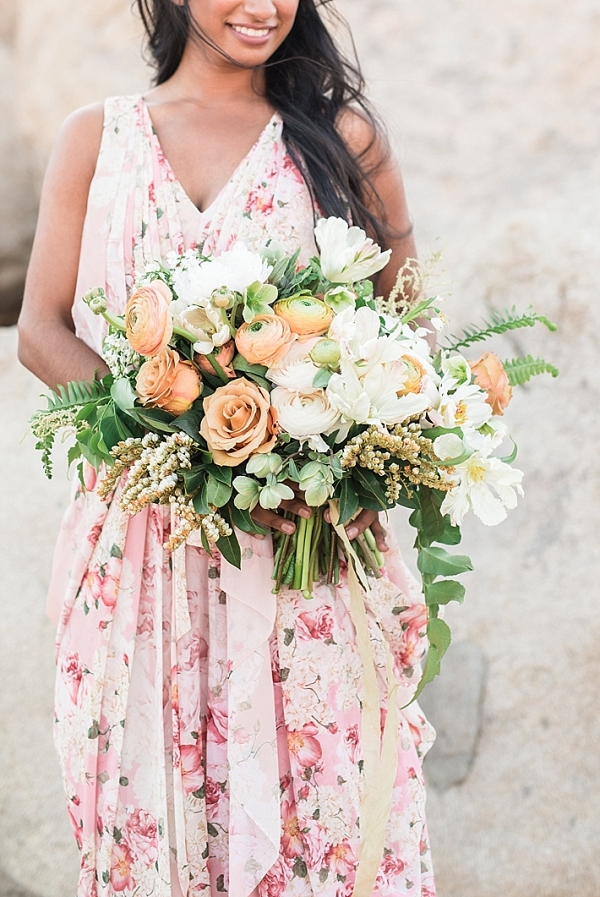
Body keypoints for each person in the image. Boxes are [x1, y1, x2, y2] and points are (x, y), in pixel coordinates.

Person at [18, 2, 436, 896]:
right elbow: (41, 330)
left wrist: (346, 437)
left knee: (320, 826)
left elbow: (413, 328)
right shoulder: (99, 137)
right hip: (140, 551)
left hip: (299, 555)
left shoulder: (340, 139)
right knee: (147, 831)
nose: (263, 6)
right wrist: (186, 452)